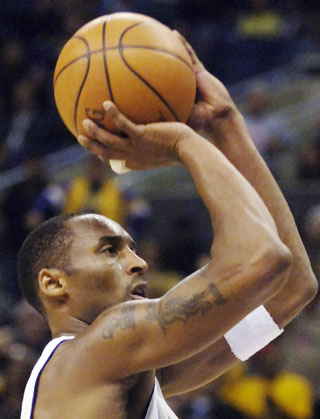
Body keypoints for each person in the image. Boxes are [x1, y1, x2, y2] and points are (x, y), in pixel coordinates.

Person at [18, 33, 317, 419]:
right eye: (110, 250)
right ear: (54, 283)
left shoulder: (132, 372)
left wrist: (224, 122)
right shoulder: (102, 348)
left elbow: (291, 288)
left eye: (132, 248)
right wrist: (184, 143)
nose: (139, 262)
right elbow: (263, 259)